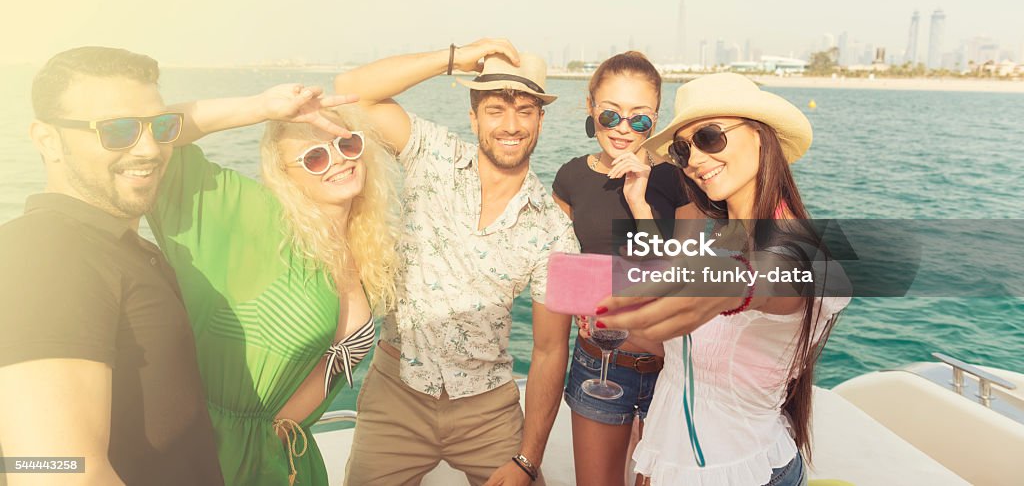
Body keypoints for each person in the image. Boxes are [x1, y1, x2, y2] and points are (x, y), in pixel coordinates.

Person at [334, 39, 580, 486]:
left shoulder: (558, 232)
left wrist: (527, 460)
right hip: (396, 393)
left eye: (525, 110)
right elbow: (352, 91)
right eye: (495, 110)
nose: (511, 125)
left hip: (487, 407)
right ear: (473, 117)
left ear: (541, 120)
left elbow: (549, 351)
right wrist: (454, 58)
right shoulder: (431, 153)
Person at [597, 73, 850, 486]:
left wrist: (735, 281)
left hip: (741, 472)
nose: (694, 159)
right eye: (683, 149)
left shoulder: (800, 246)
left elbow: (777, 276)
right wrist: (639, 205)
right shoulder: (715, 234)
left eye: (710, 137)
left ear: (760, 137)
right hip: (674, 459)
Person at [146, 84, 403, 485]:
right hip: (217, 458)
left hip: (289, 461)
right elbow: (157, 130)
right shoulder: (255, 219)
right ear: (285, 176)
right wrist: (259, 107)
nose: (337, 161)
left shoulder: (368, 248)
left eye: (346, 144)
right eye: (315, 157)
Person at [0, 47, 223, 486]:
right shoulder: (45, 251)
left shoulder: (105, 245)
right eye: (116, 131)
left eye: (160, 127)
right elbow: (53, 472)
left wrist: (271, 106)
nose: (150, 149)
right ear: (48, 141)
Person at [551, 52, 686, 486]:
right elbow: (561, 267)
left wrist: (640, 202)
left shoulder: (679, 180)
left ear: (656, 120)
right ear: (591, 107)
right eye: (611, 114)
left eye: (640, 119)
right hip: (599, 364)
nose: (624, 129)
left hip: (672, 371)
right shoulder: (570, 178)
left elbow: (683, 275)